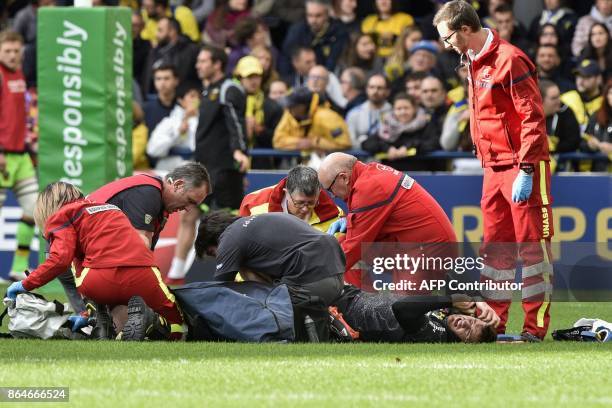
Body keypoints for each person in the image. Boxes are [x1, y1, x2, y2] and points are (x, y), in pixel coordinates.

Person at [434, 0, 554, 341]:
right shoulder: (472, 59)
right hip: (493, 168)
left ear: (466, 30)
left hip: (522, 165)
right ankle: (494, 323)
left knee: (533, 250)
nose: (446, 45)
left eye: (448, 37)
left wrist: (527, 169)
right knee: (495, 250)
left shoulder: (510, 60)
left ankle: (534, 329)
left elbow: (532, 118)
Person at [6, 182, 184, 341]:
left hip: (100, 281)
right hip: (143, 273)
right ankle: (156, 323)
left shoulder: (61, 217)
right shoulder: (109, 208)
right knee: (177, 321)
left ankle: (97, 320)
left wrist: (25, 284)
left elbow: (60, 260)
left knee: (82, 273)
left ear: (47, 208)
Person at [164, 46, 249, 285]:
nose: (198, 65)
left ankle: (230, 276)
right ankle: (177, 275)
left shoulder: (229, 88)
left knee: (223, 224)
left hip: (224, 169)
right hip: (203, 168)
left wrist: (240, 151)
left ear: (217, 64)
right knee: (188, 216)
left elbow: (236, 122)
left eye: (203, 61)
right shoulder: (206, 91)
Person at [195, 210, 345, 341]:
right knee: (249, 274)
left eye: (211, 253)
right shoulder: (256, 223)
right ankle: (322, 319)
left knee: (260, 312)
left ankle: (315, 321)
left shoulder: (230, 237)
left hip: (311, 280)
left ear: (214, 238)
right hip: (335, 274)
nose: (217, 257)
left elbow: (219, 292)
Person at [318, 153, 457, 287]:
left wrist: (311, 276)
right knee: (343, 243)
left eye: (330, 189)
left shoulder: (368, 189)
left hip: (430, 250)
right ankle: (362, 303)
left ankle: (458, 298)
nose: (333, 196)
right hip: (414, 246)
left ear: (344, 178)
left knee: (403, 309)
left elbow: (353, 248)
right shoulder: (369, 174)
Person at [0, 31, 39, 283]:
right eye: (8, 51)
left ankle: (18, 267)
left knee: (33, 209)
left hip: (21, 156)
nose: (13, 55)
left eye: (17, 50)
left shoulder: (19, 75)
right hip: (3, 155)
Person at [334, 285, 499, 343]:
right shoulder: (449, 317)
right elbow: (452, 276)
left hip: (341, 308)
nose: (464, 322)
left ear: (463, 344)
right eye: (471, 320)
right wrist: (479, 301)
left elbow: (403, 309)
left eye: (468, 332)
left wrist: (450, 300)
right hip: (350, 293)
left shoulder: (436, 337)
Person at [240, 165, 343, 232]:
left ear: (319, 193)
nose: (305, 209)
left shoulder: (336, 216)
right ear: (286, 193)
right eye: (299, 203)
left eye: (311, 203)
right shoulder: (252, 204)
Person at [279, 0, 348, 78]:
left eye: (318, 15)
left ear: (327, 14)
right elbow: (286, 58)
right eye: (310, 15)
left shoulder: (338, 31)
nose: (313, 20)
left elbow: (332, 61)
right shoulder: (296, 30)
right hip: (297, 78)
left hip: (325, 77)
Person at [272, 87, 351, 152]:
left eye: (291, 106)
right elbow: (277, 141)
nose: (287, 108)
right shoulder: (290, 113)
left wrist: (315, 142)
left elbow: (344, 144)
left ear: (301, 107)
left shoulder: (326, 117)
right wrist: (299, 142)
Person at [146, 81, 201, 171]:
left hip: (194, 172)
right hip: (168, 170)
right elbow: (152, 150)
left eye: (199, 97)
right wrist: (177, 134)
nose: (196, 100)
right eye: (192, 96)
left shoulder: (205, 122)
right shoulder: (169, 122)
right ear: (181, 100)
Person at [142, 16, 199, 95]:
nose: (156, 34)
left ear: (172, 31)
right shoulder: (153, 52)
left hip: (180, 101)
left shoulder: (190, 51)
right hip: (154, 99)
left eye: (160, 30)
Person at [539, 79, 581, 171]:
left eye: (559, 96)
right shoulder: (529, 116)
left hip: (561, 169)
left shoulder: (566, 112)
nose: (559, 101)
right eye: (554, 98)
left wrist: (555, 147)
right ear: (540, 100)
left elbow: (574, 141)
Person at [346, 73, 392, 149]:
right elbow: (350, 142)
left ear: (387, 91)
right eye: (371, 87)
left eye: (379, 88)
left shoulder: (395, 113)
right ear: (366, 89)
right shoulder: (354, 114)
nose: (375, 91)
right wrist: (364, 144)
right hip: (360, 157)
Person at [143, 63, 178, 134]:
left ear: (176, 81)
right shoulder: (146, 109)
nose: (162, 83)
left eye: (166, 78)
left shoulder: (184, 107)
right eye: (158, 79)